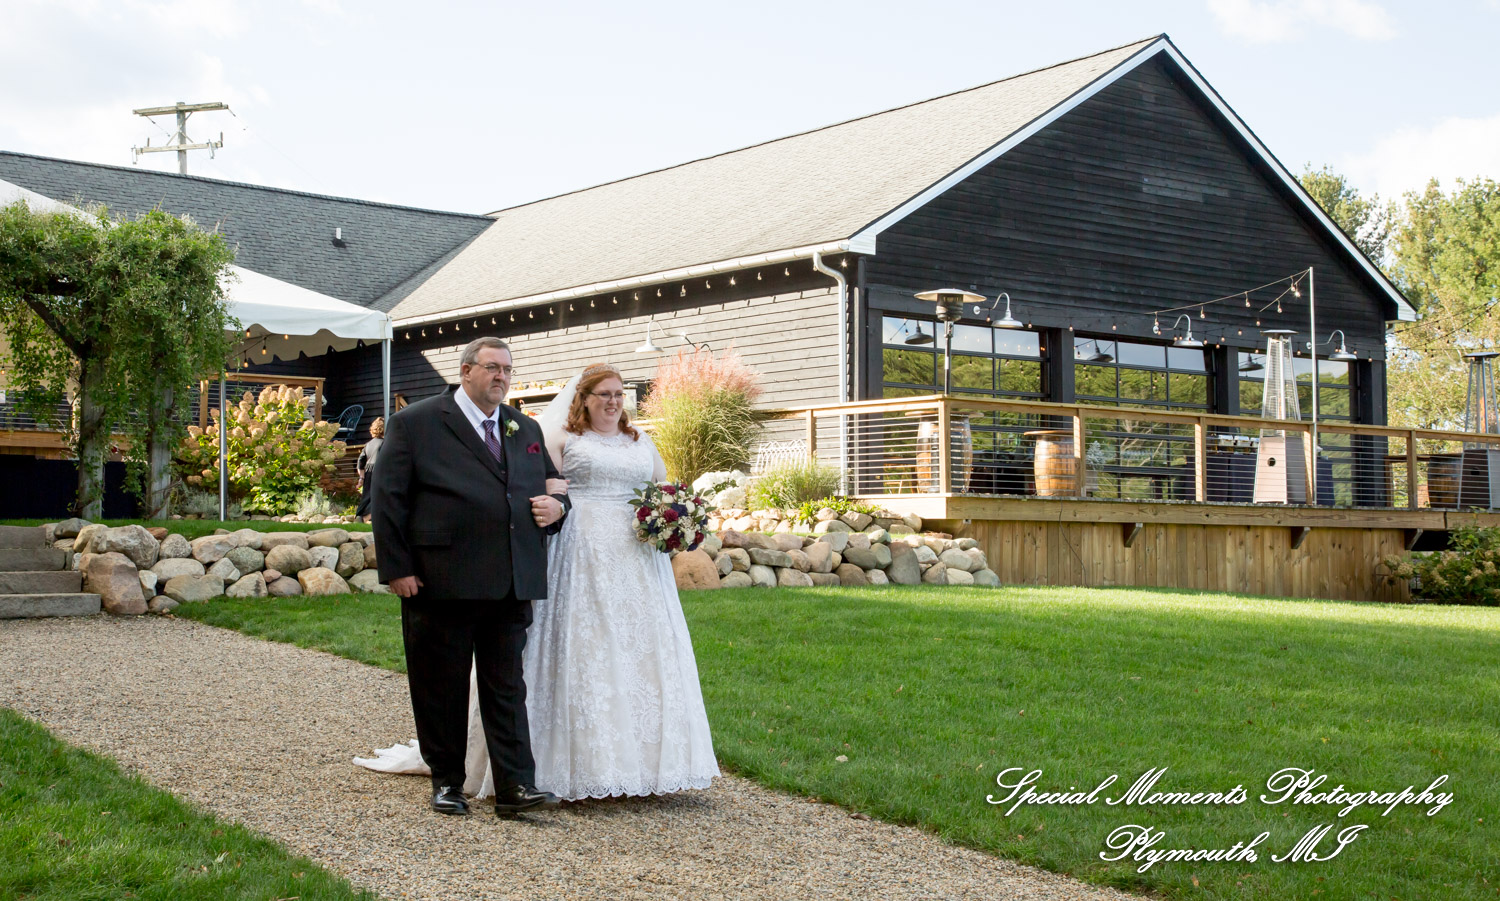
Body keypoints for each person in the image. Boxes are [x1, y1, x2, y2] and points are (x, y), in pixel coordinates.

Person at [371, 336, 571, 817]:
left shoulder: (524, 427)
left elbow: (550, 489)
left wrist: (557, 508)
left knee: (507, 687)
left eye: (507, 369)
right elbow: (388, 500)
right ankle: (446, 782)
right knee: (441, 685)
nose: (501, 376)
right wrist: (398, 568)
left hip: (509, 579)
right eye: (492, 368)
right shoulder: (416, 423)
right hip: (441, 580)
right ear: (465, 371)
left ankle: (515, 788)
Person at [523, 362, 719, 799]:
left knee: (641, 646)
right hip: (582, 548)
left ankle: (645, 764)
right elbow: (545, 488)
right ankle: (581, 764)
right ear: (584, 398)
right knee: (588, 642)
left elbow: (662, 485)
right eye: (604, 394)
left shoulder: (639, 439)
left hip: (636, 554)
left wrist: (673, 518)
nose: (613, 402)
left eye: (618, 395)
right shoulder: (561, 438)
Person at [354, 417, 385, 522]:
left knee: (367, 495)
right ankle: (366, 518)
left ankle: (359, 515)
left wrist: (361, 478)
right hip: (380, 470)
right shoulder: (385, 443)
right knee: (380, 496)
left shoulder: (368, 444)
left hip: (368, 471)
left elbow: (360, 463)